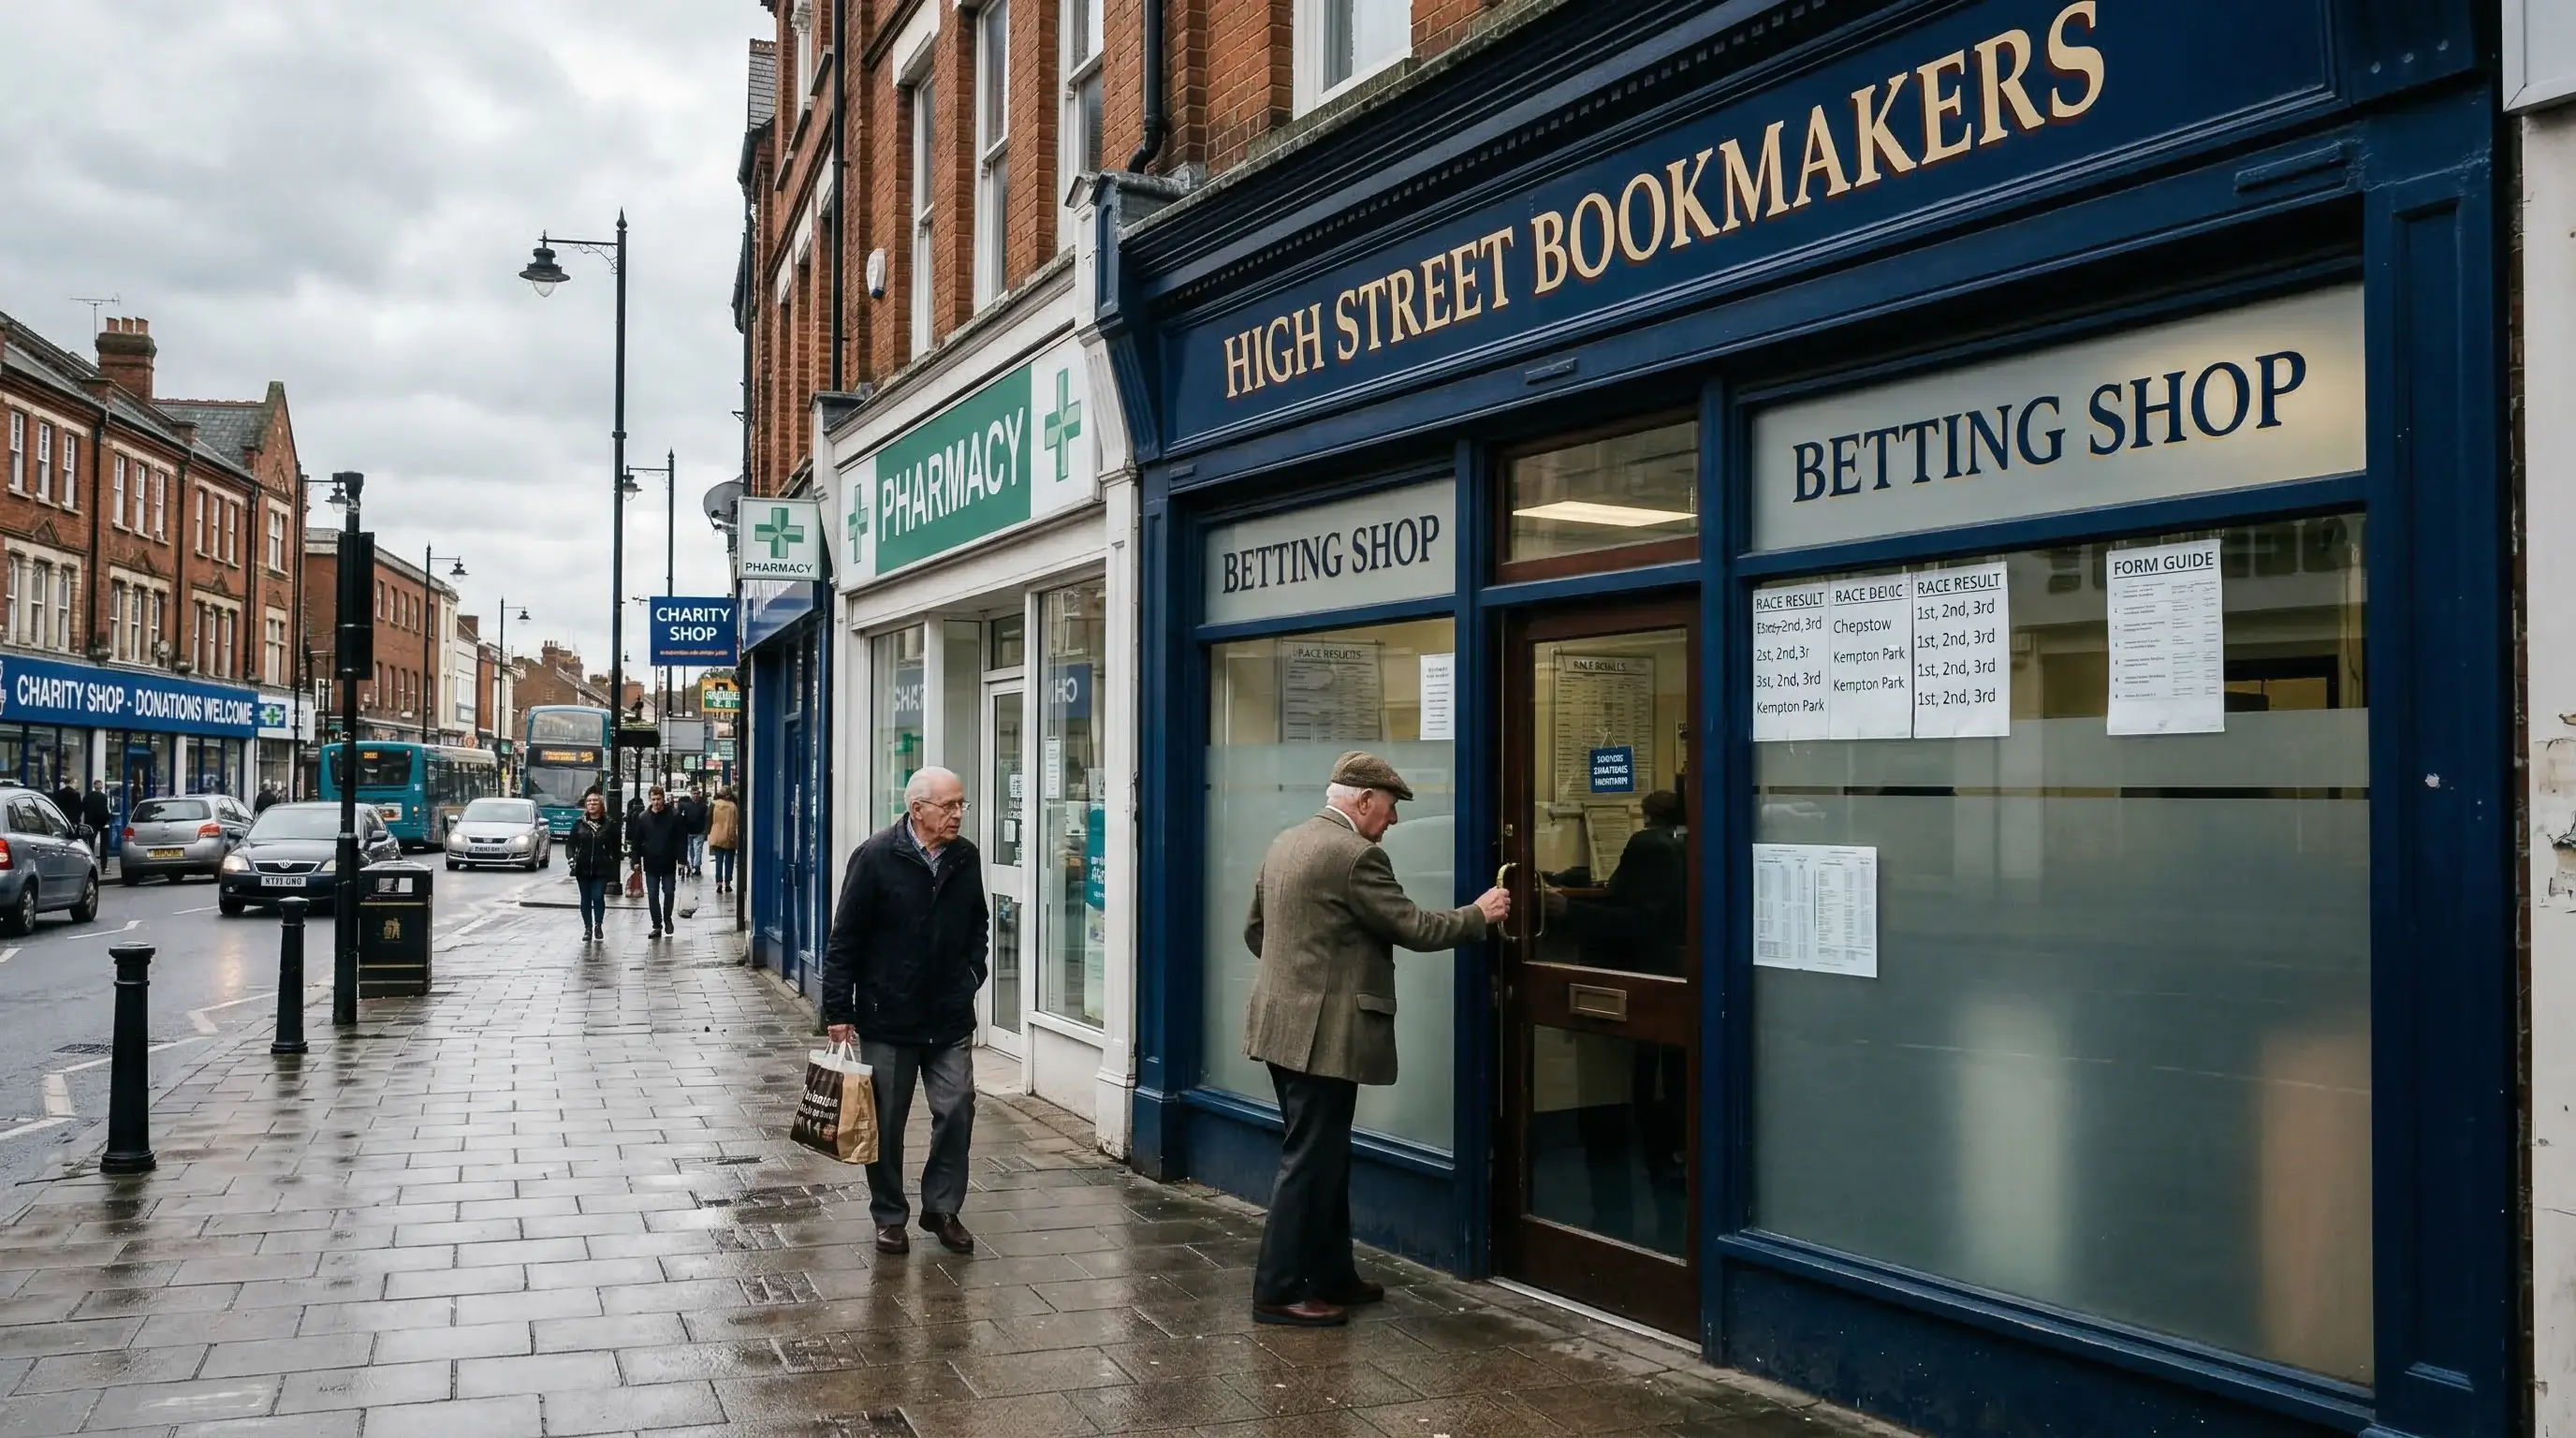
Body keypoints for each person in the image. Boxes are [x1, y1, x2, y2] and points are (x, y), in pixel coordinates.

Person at [1239, 752, 1510, 1328]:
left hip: (1280, 1024)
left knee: (1324, 1157)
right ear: (1363, 800)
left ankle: (1333, 1274)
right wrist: (1479, 915)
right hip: (1322, 1034)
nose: (1391, 822)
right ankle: (1278, 1290)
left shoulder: (1286, 841)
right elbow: (1413, 926)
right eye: (1388, 810)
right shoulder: (1357, 856)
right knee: (1311, 1161)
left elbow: (1256, 930)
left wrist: (1302, 979)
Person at [820, 767, 987, 1259]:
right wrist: (839, 1011)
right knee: (887, 1124)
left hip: (948, 1015)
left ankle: (941, 1208)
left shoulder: (965, 857)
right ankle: (890, 1215)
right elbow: (844, 939)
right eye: (949, 805)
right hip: (887, 1017)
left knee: (957, 1108)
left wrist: (971, 976)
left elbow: (977, 923)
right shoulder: (875, 857)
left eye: (961, 805)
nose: (958, 813)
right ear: (918, 810)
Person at [631, 785, 687, 938]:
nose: (656, 802)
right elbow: (636, 841)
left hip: (669, 861)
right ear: (650, 799)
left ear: (663, 799)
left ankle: (667, 918)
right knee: (652, 895)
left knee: (669, 892)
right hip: (651, 862)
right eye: (653, 799)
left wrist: (682, 860)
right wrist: (635, 860)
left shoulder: (674, 816)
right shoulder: (643, 817)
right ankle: (657, 925)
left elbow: (681, 839)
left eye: (659, 799)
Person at [565, 792, 620, 943]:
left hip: (601, 867)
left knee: (597, 896)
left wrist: (611, 860)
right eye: (589, 801)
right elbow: (571, 844)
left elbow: (615, 847)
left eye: (595, 801)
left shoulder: (609, 824)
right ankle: (588, 928)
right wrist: (571, 859)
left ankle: (598, 925)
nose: (592, 804)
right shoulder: (579, 823)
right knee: (585, 899)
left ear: (601, 804)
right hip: (582, 867)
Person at [707, 786, 740, 894]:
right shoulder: (733, 806)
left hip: (717, 835)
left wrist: (709, 833)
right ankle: (728, 883)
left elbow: (708, 818)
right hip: (729, 836)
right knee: (729, 861)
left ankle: (719, 883)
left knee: (719, 861)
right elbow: (737, 820)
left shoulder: (713, 804)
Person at [679, 785, 710, 878]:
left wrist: (705, 831)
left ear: (699, 794)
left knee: (698, 850)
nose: (695, 796)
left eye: (697, 794)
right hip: (688, 831)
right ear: (691, 794)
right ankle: (695, 866)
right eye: (694, 794)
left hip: (699, 832)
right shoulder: (686, 805)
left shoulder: (703, 806)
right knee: (691, 850)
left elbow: (706, 819)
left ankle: (696, 866)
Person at [82, 782, 111, 861]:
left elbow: (84, 809)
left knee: (90, 843)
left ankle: (91, 861)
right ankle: (104, 865)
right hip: (103, 822)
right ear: (101, 787)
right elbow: (106, 810)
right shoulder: (104, 797)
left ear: (94, 786)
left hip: (91, 822)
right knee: (104, 845)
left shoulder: (87, 797)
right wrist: (108, 819)